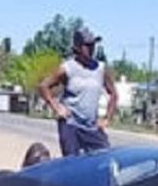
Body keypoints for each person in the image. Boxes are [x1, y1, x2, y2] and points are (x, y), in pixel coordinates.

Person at [39, 26, 118, 156]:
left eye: (93, 45)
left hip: (91, 126)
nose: (91, 49)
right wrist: (56, 107)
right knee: (72, 162)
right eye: (87, 45)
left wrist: (106, 118)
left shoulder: (100, 69)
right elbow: (44, 86)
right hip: (71, 124)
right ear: (78, 47)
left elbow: (113, 94)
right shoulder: (67, 68)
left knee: (105, 156)